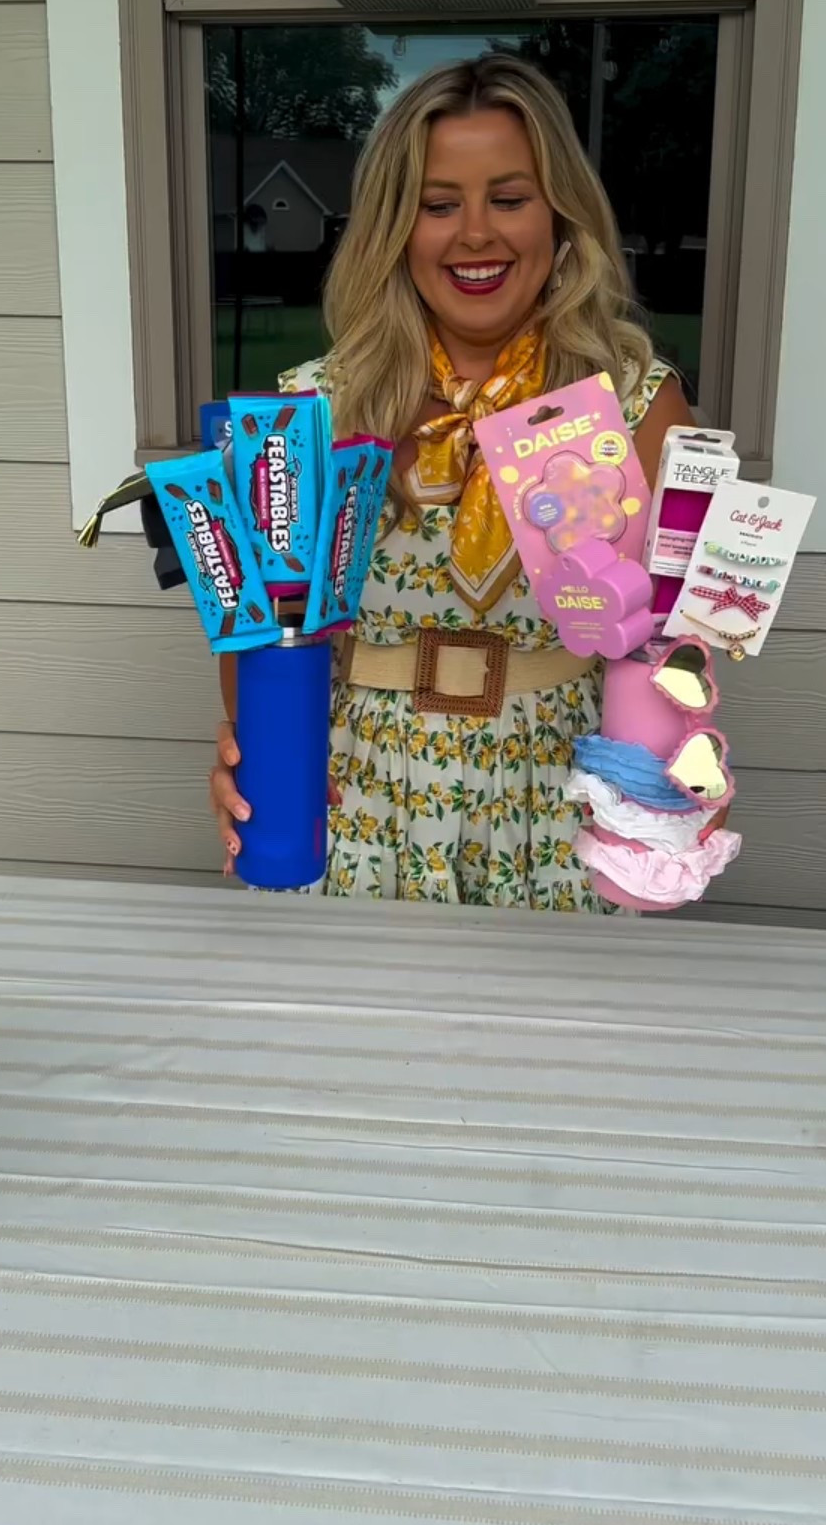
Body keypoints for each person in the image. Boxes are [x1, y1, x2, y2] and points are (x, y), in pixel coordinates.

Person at [211, 54, 693, 909]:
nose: (475, 234)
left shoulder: (635, 402)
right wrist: (246, 759)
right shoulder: (313, 411)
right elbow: (259, 639)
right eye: (439, 205)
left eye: (509, 199)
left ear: (560, 214)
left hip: (561, 810)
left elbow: (678, 648)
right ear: (396, 228)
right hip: (356, 802)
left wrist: (676, 782)